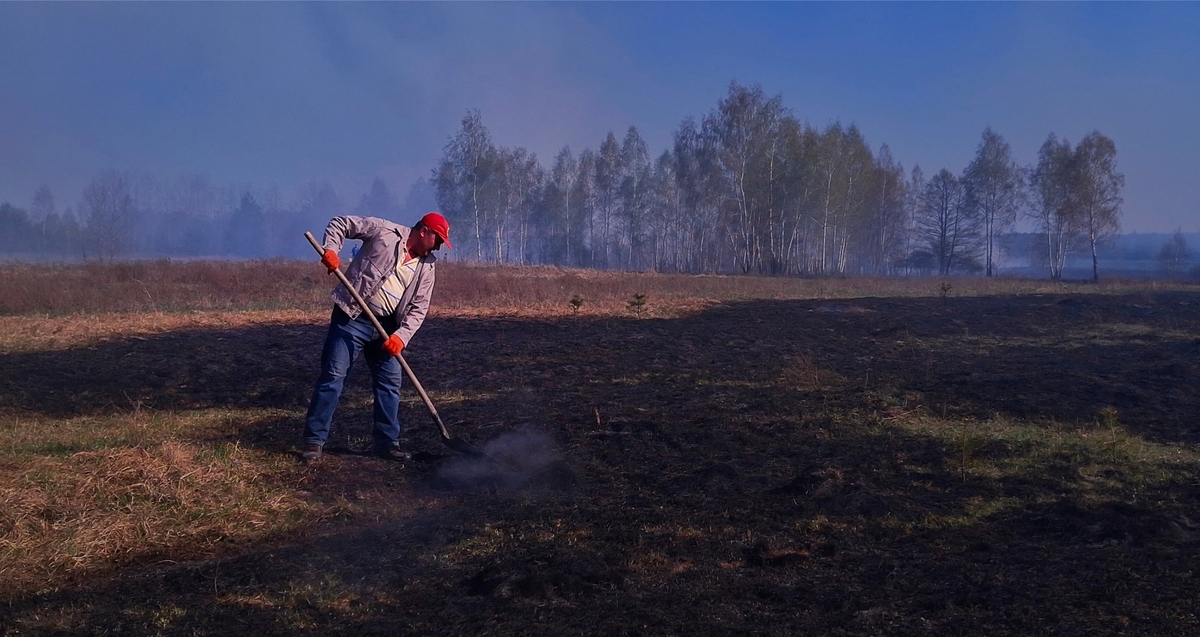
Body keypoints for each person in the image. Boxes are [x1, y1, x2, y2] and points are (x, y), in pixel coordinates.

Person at [301, 212, 451, 462]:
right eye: (437, 239)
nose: (438, 246)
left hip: (387, 328)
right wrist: (331, 250)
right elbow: (341, 223)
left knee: (390, 384)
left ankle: (387, 443)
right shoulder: (384, 232)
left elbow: (419, 308)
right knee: (333, 376)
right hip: (352, 316)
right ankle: (314, 441)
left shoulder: (427, 267)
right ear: (424, 231)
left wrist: (401, 337)